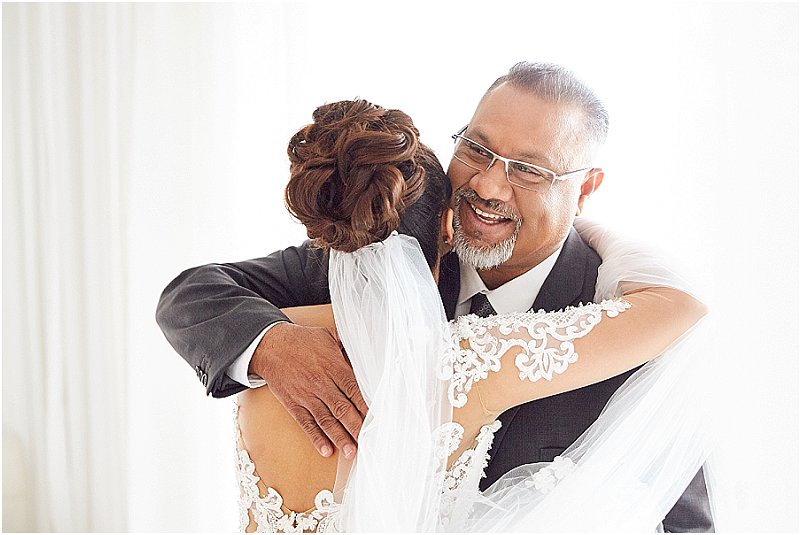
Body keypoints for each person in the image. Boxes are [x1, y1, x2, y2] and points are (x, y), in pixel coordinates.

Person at [156, 62, 714, 531]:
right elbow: (191, 294)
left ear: (585, 188)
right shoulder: (373, 249)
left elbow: (686, 522)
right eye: (477, 149)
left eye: (528, 170)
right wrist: (272, 345)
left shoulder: (626, 323)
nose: (489, 186)